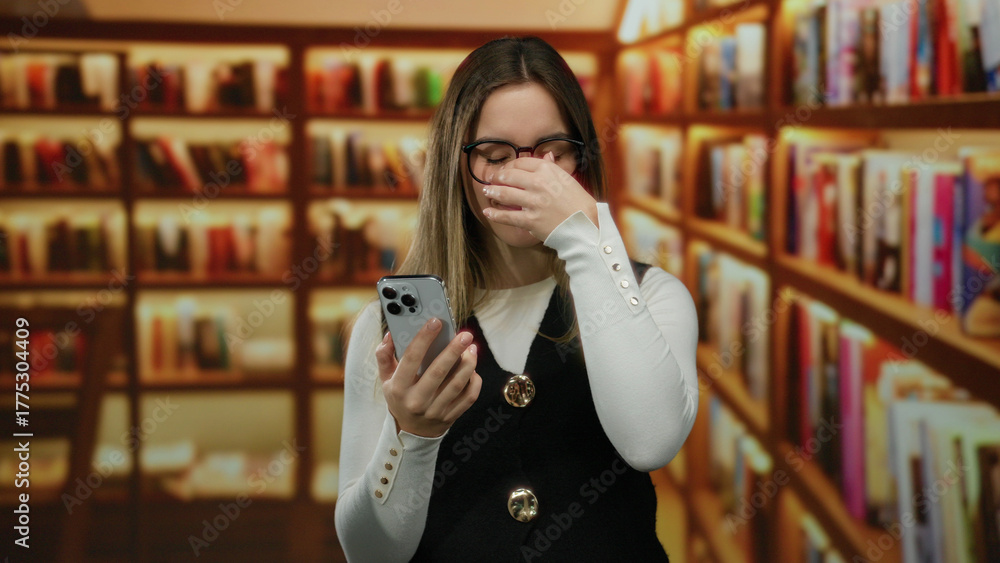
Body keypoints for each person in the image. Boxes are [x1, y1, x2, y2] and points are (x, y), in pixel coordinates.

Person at [335, 36, 699, 562]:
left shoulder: (653, 295)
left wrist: (582, 234)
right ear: (456, 165)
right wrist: (410, 438)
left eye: (553, 153)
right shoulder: (386, 329)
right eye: (495, 155)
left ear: (582, 157)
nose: (528, 176)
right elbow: (369, 554)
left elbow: (651, 442)